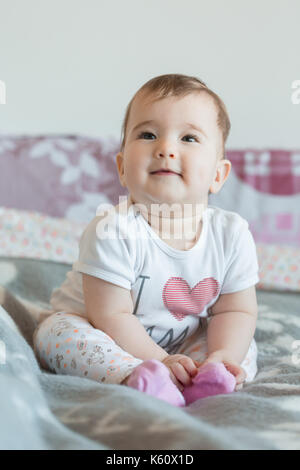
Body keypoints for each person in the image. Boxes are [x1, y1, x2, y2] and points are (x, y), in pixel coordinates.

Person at [33, 74, 259, 407]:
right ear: (123, 168)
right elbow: (112, 316)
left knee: (242, 345)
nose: (166, 149)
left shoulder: (232, 234)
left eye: (189, 138)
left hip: (181, 340)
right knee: (55, 335)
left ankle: (211, 378)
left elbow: (237, 310)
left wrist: (223, 354)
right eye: (148, 134)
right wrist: (157, 361)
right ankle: (136, 378)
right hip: (105, 333)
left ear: (217, 175)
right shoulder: (113, 229)